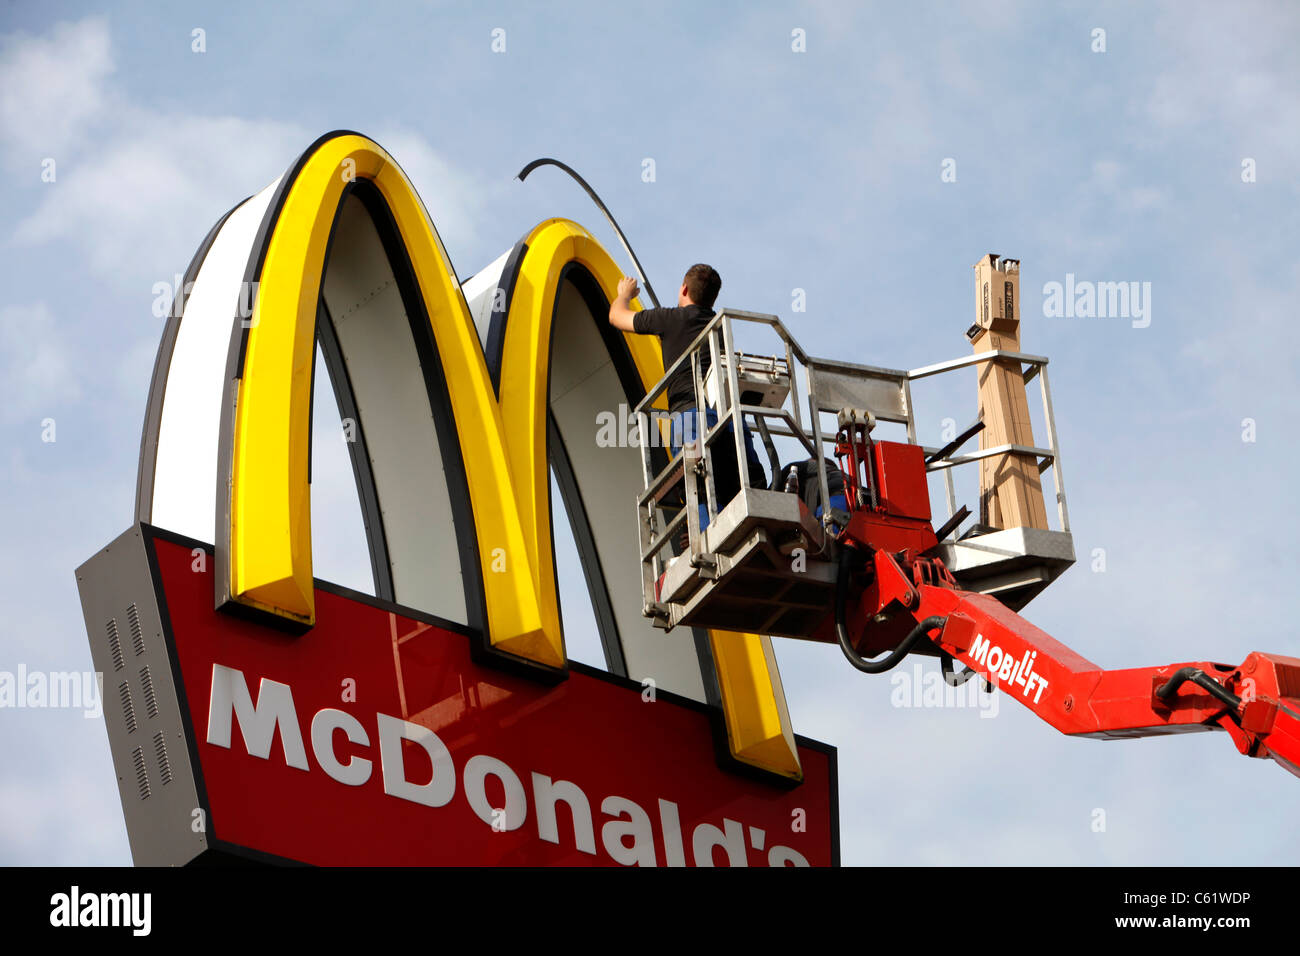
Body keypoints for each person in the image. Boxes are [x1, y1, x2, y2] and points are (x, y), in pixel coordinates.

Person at [608, 265, 765, 533]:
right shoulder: (718, 327)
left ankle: (708, 544)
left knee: (699, 487)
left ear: (684, 289)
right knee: (744, 486)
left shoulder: (671, 318)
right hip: (730, 421)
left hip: (690, 417)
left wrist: (626, 293)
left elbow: (617, 316)